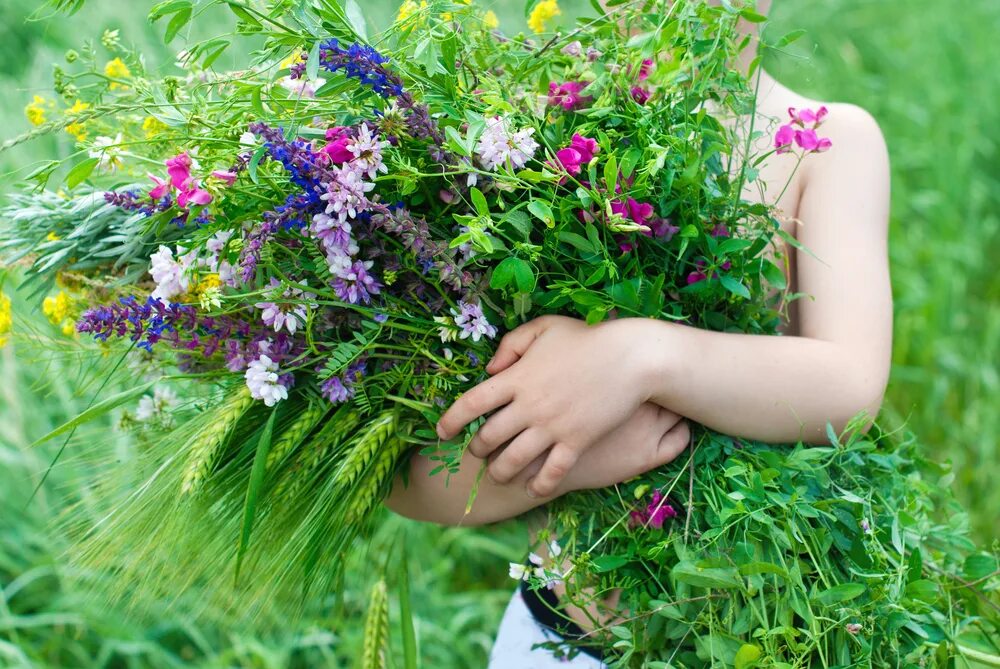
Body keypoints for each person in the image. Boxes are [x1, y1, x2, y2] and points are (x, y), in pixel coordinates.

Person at [387, 1, 892, 665]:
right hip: (566, 643)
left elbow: (849, 385)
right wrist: (569, 467)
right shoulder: (515, 141)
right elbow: (408, 477)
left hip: (767, 643)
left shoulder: (827, 145)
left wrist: (640, 355)